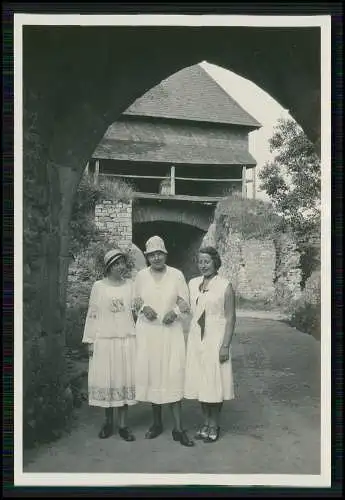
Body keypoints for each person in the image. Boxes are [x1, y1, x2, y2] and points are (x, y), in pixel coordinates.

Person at [133, 235, 194, 447]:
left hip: (170, 332)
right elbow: (135, 301)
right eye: (151, 255)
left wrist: (175, 312)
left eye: (159, 253)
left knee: (172, 375)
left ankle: (178, 428)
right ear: (147, 257)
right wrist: (143, 308)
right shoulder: (140, 276)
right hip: (149, 332)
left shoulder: (176, 275)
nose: (156, 257)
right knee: (153, 375)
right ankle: (156, 423)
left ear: (165, 254)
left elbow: (186, 302)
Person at [82, 248, 137, 442]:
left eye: (122, 263)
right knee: (107, 380)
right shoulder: (99, 287)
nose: (120, 267)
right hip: (104, 340)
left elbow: (136, 309)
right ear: (108, 267)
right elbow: (93, 313)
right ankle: (108, 423)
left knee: (123, 380)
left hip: (125, 340)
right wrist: (90, 340)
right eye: (116, 264)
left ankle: (123, 425)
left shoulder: (130, 285)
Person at [184, 246, 236, 443]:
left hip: (216, 338)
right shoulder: (193, 283)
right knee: (201, 383)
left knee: (215, 383)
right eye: (200, 261)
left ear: (215, 262)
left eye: (207, 261)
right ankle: (205, 423)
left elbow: (231, 319)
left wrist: (225, 345)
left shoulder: (225, 286)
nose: (203, 265)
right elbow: (187, 308)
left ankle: (214, 425)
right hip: (197, 339)